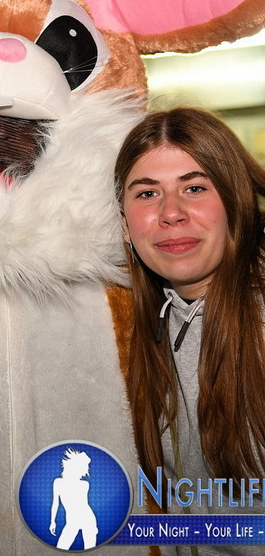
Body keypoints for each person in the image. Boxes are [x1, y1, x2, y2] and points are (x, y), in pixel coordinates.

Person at [114, 106, 265, 555]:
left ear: (235, 202)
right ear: (124, 225)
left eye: (194, 188)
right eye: (147, 194)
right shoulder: (131, 325)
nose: (171, 213)